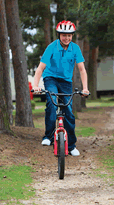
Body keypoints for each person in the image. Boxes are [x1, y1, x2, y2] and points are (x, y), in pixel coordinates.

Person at [33, 20, 89, 156]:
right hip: (50, 78)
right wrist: (35, 85)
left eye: (69, 35)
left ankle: (71, 146)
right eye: (64, 35)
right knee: (52, 104)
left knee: (68, 111)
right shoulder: (52, 47)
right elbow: (40, 68)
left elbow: (82, 69)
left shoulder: (75, 48)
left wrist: (85, 88)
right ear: (59, 35)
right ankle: (48, 137)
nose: (67, 38)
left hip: (65, 81)